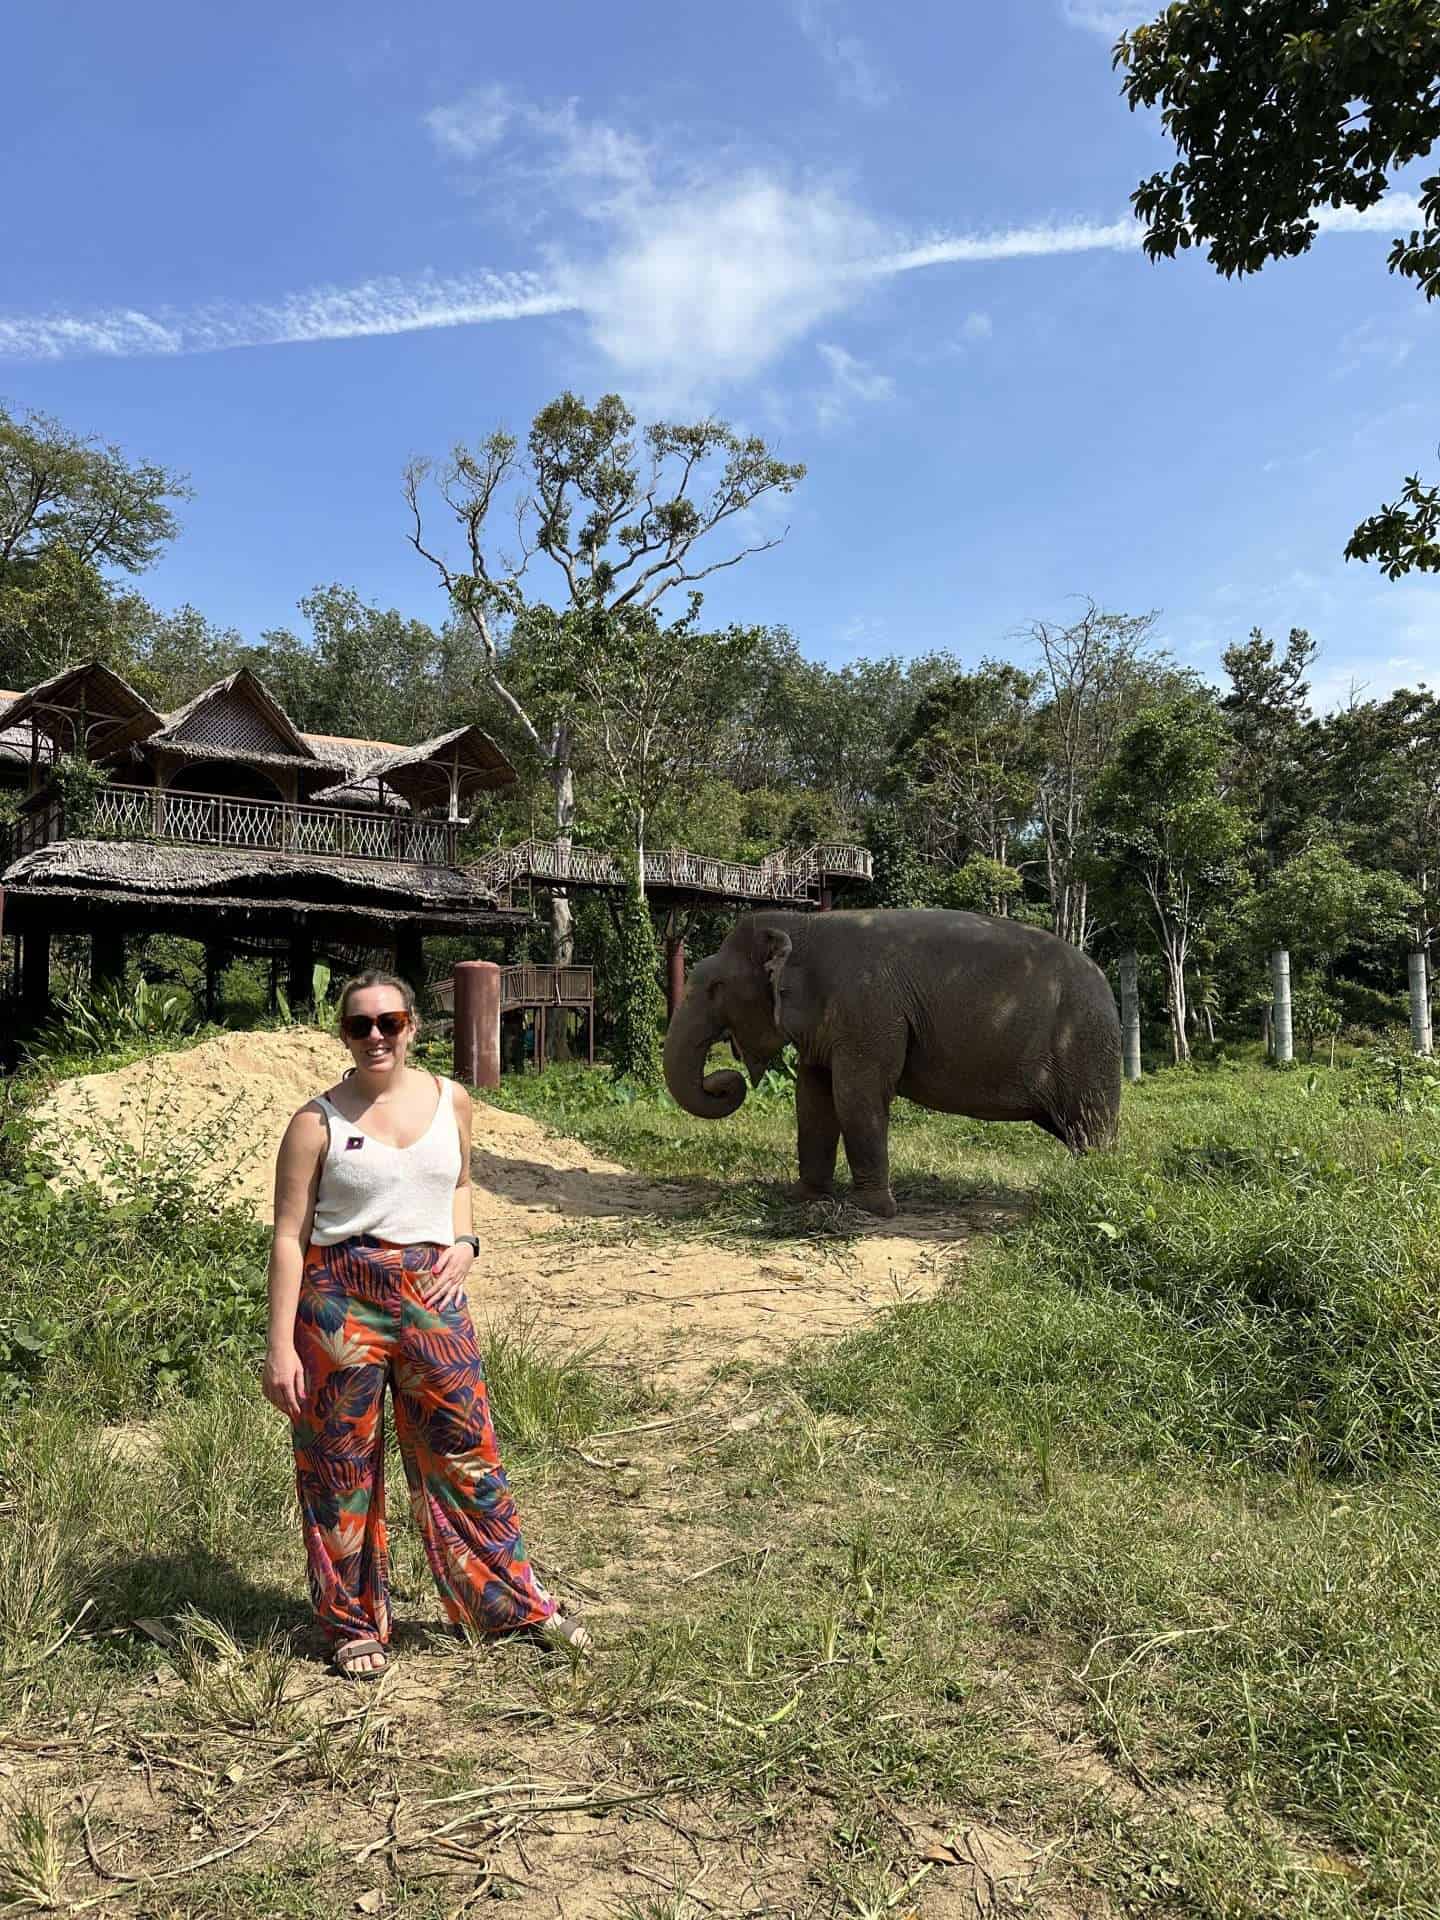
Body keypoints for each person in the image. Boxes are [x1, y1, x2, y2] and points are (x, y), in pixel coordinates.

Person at [262, 969, 588, 1680]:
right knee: (339, 1468)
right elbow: (289, 1236)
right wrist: (279, 1345)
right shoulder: (316, 1123)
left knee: (467, 1455)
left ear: (412, 1027)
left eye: (389, 1022)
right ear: (343, 1035)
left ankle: (510, 1605)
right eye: (359, 1025)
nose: (375, 1036)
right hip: (339, 1301)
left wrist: (465, 1244)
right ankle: (351, 1624)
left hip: (433, 1301)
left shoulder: (453, 1101)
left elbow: (460, 1185)